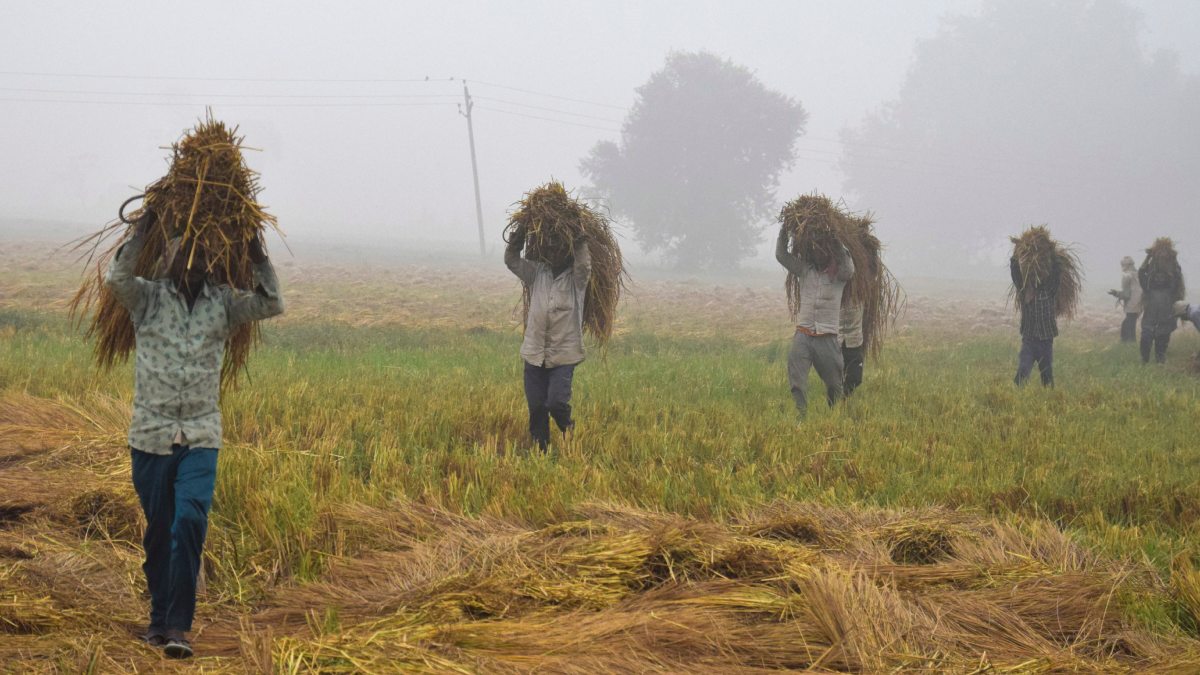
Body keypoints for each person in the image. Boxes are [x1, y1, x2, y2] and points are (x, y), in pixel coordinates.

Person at [105, 209, 284, 659]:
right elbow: (116, 277)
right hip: (150, 435)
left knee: (189, 522)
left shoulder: (223, 303)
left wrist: (257, 255)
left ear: (212, 261)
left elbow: (272, 302)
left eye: (201, 254)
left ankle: (179, 627)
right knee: (158, 530)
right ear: (167, 256)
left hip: (201, 435)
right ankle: (157, 620)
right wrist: (141, 230)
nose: (192, 261)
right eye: (183, 251)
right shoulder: (146, 299)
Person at [504, 224, 591, 452]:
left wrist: (581, 243)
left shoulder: (576, 280)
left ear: (567, 250)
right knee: (536, 406)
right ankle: (540, 449)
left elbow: (584, 267)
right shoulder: (537, 273)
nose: (554, 251)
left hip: (564, 355)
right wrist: (518, 238)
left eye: (559, 246)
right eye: (550, 246)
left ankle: (568, 430)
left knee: (556, 403)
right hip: (534, 352)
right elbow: (512, 261)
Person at [775, 225, 855, 417]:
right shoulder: (805, 271)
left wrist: (836, 241)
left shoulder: (839, 276)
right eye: (815, 250)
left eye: (823, 250)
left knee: (835, 384)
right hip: (803, 334)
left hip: (827, 338)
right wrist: (784, 232)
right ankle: (801, 414)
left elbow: (849, 267)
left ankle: (833, 414)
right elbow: (781, 256)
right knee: (797, 379)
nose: (819, 254)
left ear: (829, 253)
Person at [1010, 254, 1059, 387]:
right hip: (1029, 341)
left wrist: (1053, 256)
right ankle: (1015, 397)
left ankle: (1049, 399)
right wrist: (1014, 259)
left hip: (1045, 341)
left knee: (1047, 374)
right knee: (1023, 370)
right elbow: (1016, 276)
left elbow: (1056, 275)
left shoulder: (1049, 290)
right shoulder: (1024, 291)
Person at [1138, 256, 1183, 364]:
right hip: (1149, 322)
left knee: (1161, 349)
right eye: (1156, 277)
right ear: (1153, 278)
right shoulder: (1148, 289)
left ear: (1166, 279)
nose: (1159, 279)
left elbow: (1178, 274)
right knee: (1145, 341)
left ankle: (1160, 366)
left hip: (1165, 323)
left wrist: (1174, 259)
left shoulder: (1171, 290)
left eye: (1162, 277)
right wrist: (1148, 257)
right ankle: (1144, 362)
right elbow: (1141, 273)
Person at [1108, 256, 1142, 343]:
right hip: (1139, 304)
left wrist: (1116, 293)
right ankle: (1129, 345)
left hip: (1131, 305)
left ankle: (1129, 344)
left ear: (1124, 265)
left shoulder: (1126, 276)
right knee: (1130, 325)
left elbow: (1126, 295)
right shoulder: (1139, 275)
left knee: (1128, 326)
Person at [840, 301, 865, 396]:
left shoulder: (860, 295)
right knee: (836, 376)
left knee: (856, 378)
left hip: (854, 342)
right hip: (837, 343)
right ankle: (838, 402)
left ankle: (845, 394)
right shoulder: (834, 294)